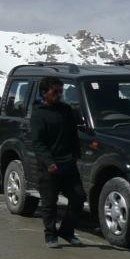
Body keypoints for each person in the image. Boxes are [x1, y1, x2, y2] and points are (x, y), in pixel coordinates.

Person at [28, 77, 84, 248]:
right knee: (49, 202)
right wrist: (49, 162)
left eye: (61, 91)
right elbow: (38, 143)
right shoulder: (39, 114)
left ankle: (67, 231)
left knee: (79, 197)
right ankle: (50, 235)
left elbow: (73, 134)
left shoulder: (66, 110)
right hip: (49, 167)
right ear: (45, 93)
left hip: (68, 163)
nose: (59, 95)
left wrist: (76, 154)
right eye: (55, 91)